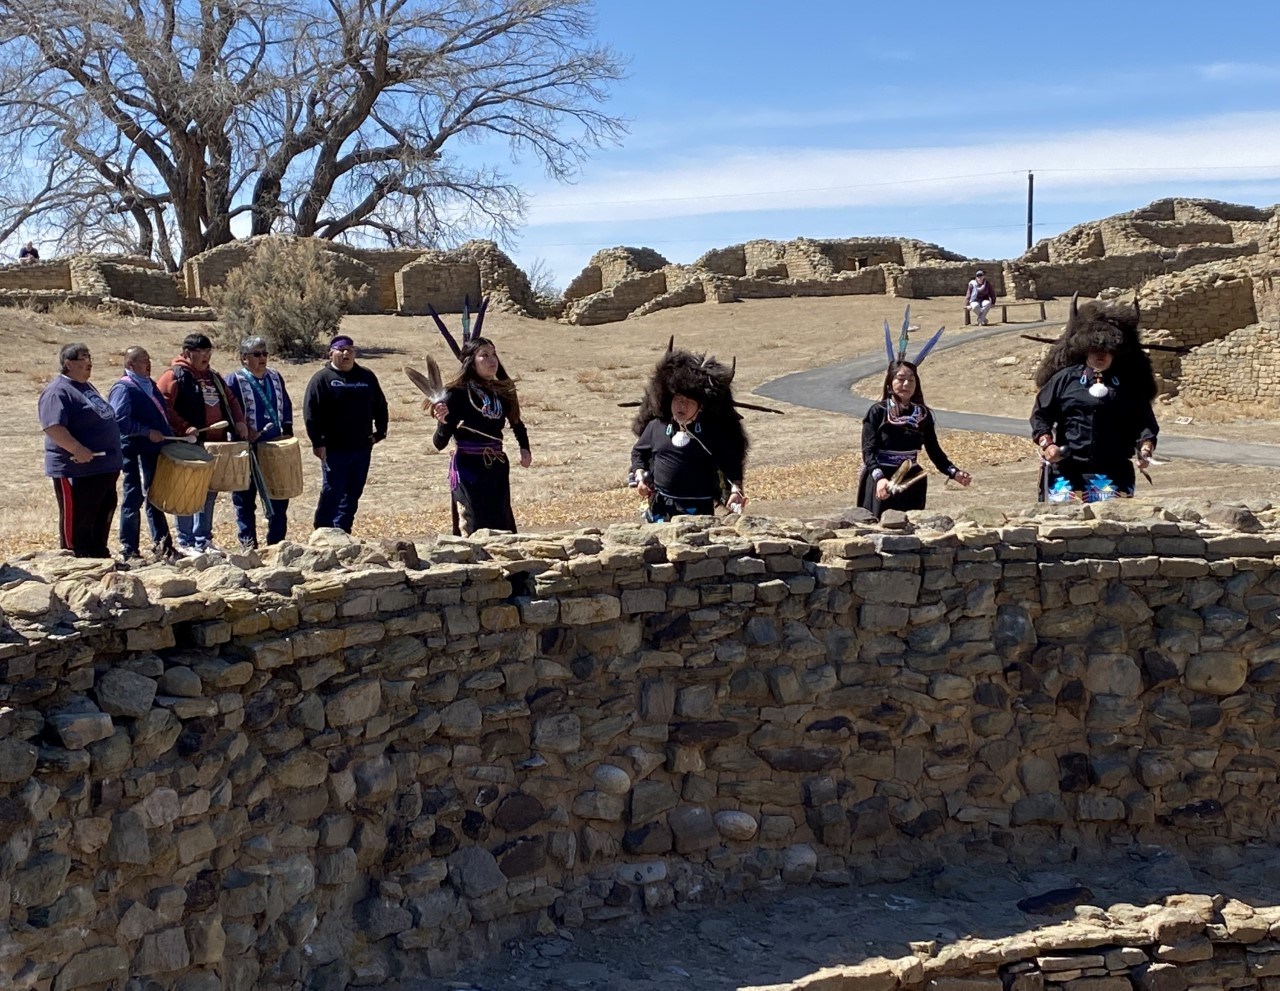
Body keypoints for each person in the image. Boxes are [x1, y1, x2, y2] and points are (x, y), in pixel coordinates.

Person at [1030, 294, 1158, 500]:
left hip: (1113, 472)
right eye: (1095, 348)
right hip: (1066, 471)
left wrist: (1145, 450)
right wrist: (1048, 445)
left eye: (1107, 349)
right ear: (1085, 347)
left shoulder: (1129, 385)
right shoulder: (1064, 380)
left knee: (1110, 527)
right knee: (1063, 527)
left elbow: (1145, 424)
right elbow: (1041, 416)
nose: (1101, 354)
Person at [856, 309, 971, 519]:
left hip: (912, 479)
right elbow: (869, 451)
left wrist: (953, 472)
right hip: (881, 477)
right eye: (900, 379)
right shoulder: (877, 412)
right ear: (890, 384)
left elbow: (934, 450)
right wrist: (879, 478)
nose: (906, 383)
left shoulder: (922, 415)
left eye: (911, 379)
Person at [629, 345, 748, 522]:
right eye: (677, 400)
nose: (681, 406)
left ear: (700, 407)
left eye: (688, 401)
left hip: (699, 508)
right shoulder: (656, 426)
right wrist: (640, 477)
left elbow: (730, 462)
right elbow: (639, 452)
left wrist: (736, 490)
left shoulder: (712, 431)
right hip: (661, 506)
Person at [156, 333, 248, 556]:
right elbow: (163, 408)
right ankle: (185, 541)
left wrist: (239, 421)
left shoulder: (213, 377)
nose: (207, 357)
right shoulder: (173, 376)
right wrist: (185, 427)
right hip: (187, 446)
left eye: (209, 353)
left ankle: (203, 539)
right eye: (202, 353)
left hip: (214, 445)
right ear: (187, 353)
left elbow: (231, 400)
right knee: (188, 491)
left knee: (209, 492)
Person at [38, 343, 123, 557]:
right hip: (76, 469)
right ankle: (76, 558)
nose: (89, 363)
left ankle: (98, 556)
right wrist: (77, 448)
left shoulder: (86, 387)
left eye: (90, 357)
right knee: (79, 518)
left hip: (102, 468)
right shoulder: (58, 391)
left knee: (101, 512)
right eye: (83, 358)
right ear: (68, 364)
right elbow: (53, 426)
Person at [304, 335, 388, 533]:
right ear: (331, 353)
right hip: (333, 449)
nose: (346, 353)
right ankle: (322, 532)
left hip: (361, 447)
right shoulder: (321, 379)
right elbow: (310, 412)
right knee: (332, 491)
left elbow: (380, 404)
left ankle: (343, 531)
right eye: (340, 349)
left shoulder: (366, 377)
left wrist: (380, 432)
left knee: (352, 493)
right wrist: (317, 442)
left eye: (350, 349)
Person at [225, 336, 294, 549]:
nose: (263, 358)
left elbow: (286, 404)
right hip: (247, 446)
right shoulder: (234, 380)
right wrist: (243, 429)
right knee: (245, 496)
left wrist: (287, 430)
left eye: (265, 353)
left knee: (279, 493)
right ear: (243, 358)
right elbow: (229, 411)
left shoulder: (275, 376)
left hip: (274, 445)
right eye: (257, 354)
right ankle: (248, 543)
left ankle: (276, 542)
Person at [108, 347, 175, 561]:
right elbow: (119, 421)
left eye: (148, 359)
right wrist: (146, 432)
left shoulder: (150, 385)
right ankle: (129, 548)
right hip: (134, 450)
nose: (148, 364)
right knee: (133, 497)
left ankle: (163, 545)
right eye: (143, 361)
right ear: (130, 365)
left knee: (155, 496)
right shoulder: (123, 388)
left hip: (153, 451)